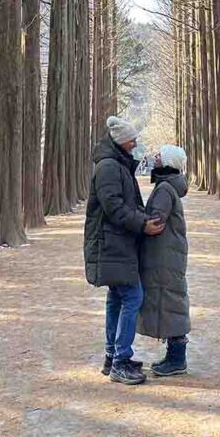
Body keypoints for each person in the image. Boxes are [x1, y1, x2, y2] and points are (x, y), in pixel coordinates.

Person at [83, 115, 165, 386]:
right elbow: (114, 208)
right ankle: (120, 360)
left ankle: (113, 357)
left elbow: (125, 203)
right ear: (120, 141)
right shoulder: (109, 167)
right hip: (111, 243)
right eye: (132, 139)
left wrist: (143, 218)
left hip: (117, 243)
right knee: (132, 296)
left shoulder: (116, 164)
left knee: (117, 298)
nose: (135, 143)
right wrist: (142, 224)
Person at [137, 144, 191, 377]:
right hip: (168, 254)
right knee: (171, 301)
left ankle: (177, 359)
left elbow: (155, 222)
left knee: (169, 302)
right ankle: (174, 356)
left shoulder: (164, 189)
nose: (156, 157)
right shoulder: (168, 187)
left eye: (160, 155)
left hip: (163, 256)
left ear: (168, 162)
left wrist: (137, 220)